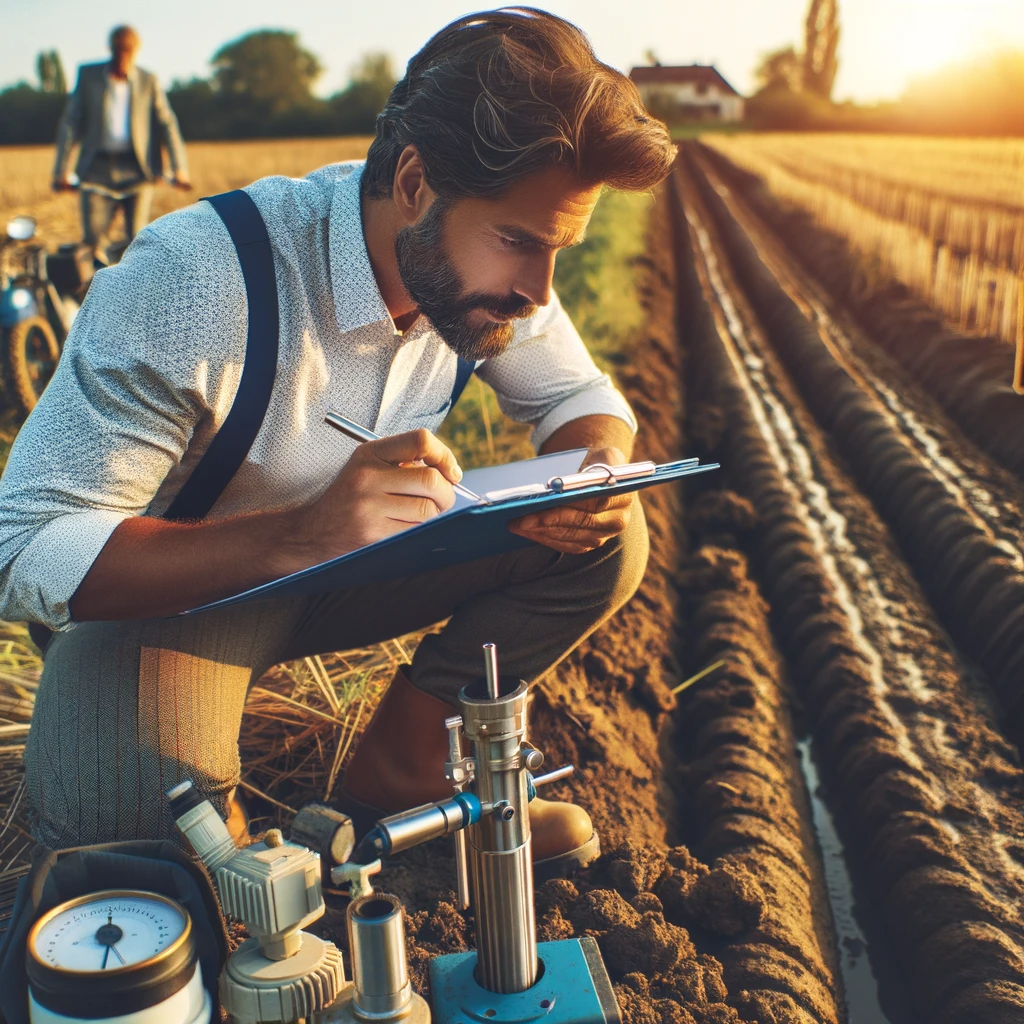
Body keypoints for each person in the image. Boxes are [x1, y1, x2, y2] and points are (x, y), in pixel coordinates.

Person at [1, 8, 673, 877]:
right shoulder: (198, 280)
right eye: (519, 243)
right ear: (416, 185)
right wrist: (300, 535)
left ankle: (405, 768)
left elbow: (582, 395)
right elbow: (25, 545)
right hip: (168, 609)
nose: (539, 292)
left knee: (606, 533)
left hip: (351, 571)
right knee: (135, 833)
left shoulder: (482, 276)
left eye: (559, 250)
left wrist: (595, 466)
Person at [52, 25, 191, 262]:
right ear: (110, 49)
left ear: (137, 51)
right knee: (91, 243)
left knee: (138, 241)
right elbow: (70, 123)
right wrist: (60, 170)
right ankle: (93, 291)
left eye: (128, 50)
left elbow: (167, 122)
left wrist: (180, 168)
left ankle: (134, 293)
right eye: (119, 50)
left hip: (137, 170)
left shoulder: (148, 80)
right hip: (96, 170)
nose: (123, 56)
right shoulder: (88, 76)